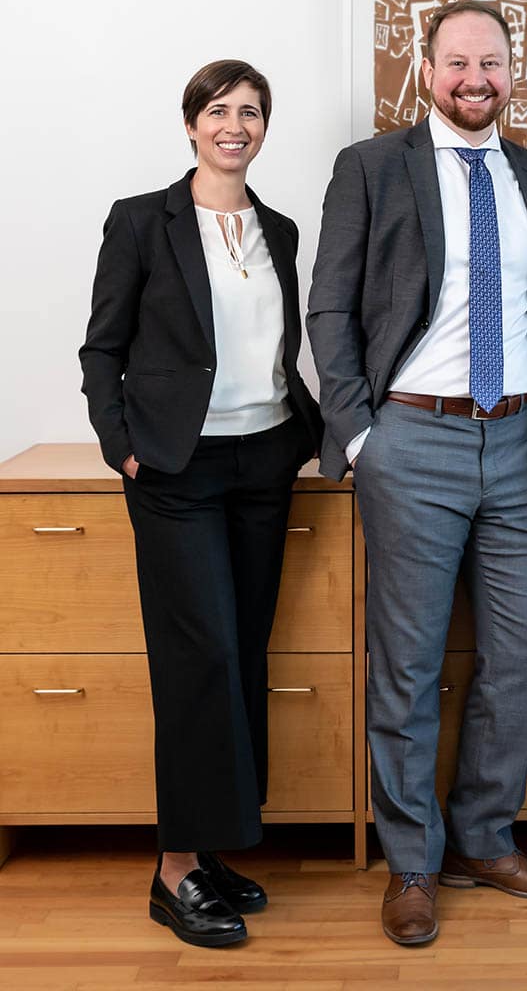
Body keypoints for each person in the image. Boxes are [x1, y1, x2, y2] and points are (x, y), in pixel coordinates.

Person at [307, 0, 527, 947]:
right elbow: (329, 308)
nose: (475, 78)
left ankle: (484, 839)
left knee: (522, 649)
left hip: (519, 442)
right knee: (409, 663)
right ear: (426, 72)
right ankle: (412, 863)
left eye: (491, 62)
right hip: (411, 441)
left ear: (513, 71)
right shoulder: (372, 166)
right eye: (457, 62)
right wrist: (359, 436)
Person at [79, 60, 323, 947]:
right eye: (218, 111)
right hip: (176, 469)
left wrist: (314, 436)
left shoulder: (280, 229)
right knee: (199, 659)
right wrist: (122, 445)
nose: (234, 126)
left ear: (265, 128)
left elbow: (278, 346)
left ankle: (210, 847)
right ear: (191, 124)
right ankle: (173, 866)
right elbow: (102, 349)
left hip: (265, 461)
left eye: (250, 112)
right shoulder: (142, 220)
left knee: (243, 652)